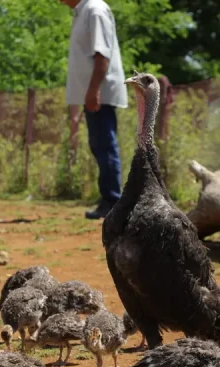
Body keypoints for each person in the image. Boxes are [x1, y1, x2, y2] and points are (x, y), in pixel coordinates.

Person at [60, 0, 128, 219]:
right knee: (99, 145)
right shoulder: (84, 12)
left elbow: (102, 56)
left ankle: (112, 201)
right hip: (93, 93)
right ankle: (108, 199)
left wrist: (93, 91)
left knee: (105, 146)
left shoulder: (95, 10)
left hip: (100, 94)